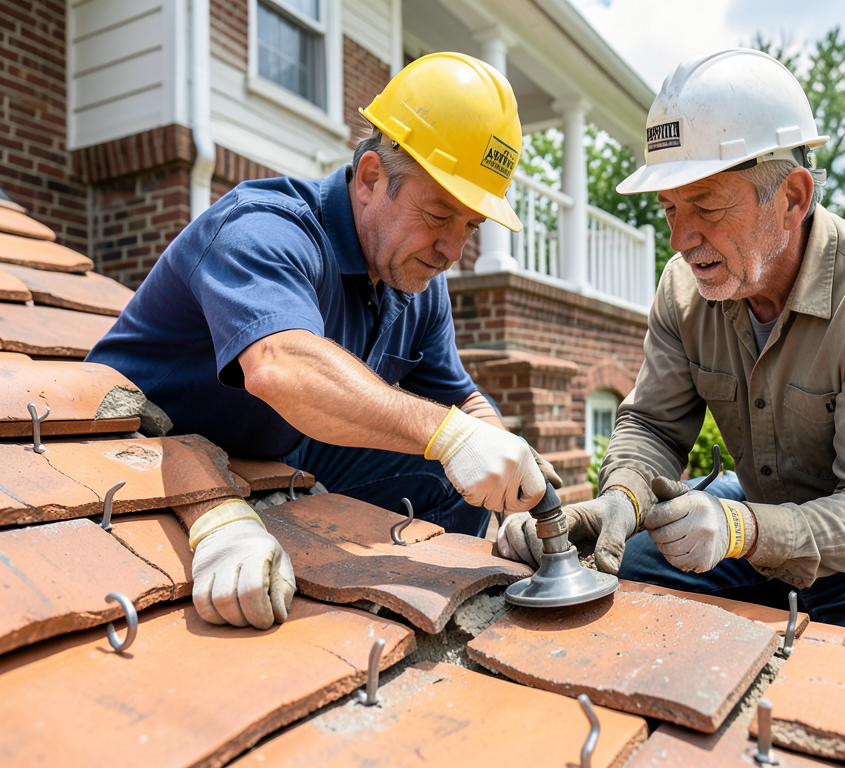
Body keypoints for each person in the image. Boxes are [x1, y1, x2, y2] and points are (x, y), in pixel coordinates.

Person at [497, 48, 845, 766]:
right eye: (670, 209)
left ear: (794, 196)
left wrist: (737, 527)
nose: (681, 240)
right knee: (592, 601)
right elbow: (651, 423)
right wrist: (619, 500)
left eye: (706, 208)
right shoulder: (686, 290)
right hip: (760, 516)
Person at [87, 52, 557, 632]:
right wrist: (451, 435)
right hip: (139, 450)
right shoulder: (263, 227)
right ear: (370, 179)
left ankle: (434, 624)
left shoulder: (415, 283)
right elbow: (281, 367)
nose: (452, 251)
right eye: (440, 215)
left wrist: (515, 483)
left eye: (471, 228)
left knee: (453, 477)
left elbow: (460, 405)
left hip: (276, 452)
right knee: (444, 447)